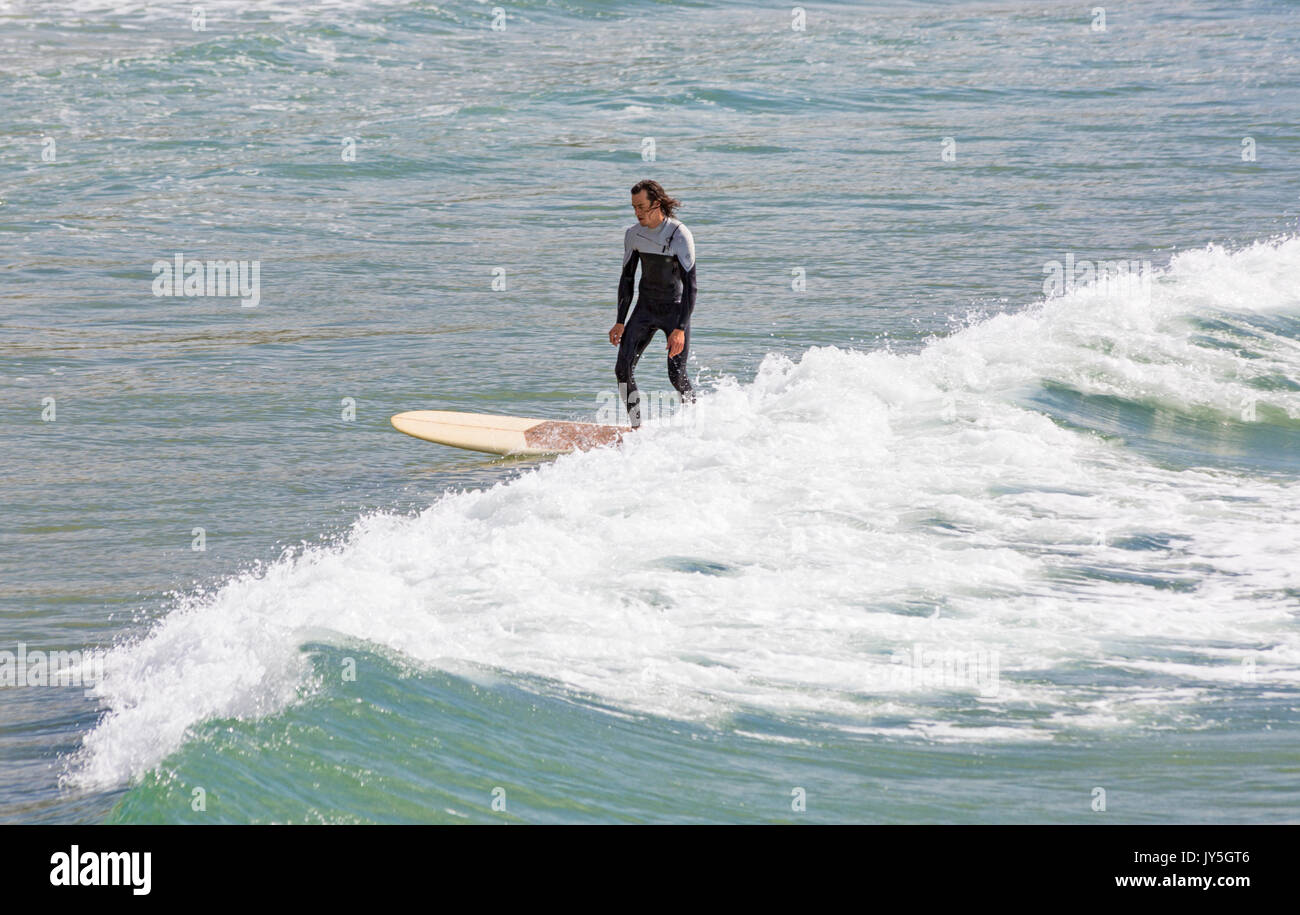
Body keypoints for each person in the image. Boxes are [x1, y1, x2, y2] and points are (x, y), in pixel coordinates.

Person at [609, 180, 697, 427]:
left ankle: (696, 421)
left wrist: (680, 328)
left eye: (641, 207)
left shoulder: (678, 234)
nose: (637, 213)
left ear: (656, 204)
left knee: (676, 375)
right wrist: (619, 321)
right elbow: (627, 279)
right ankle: (637, 427)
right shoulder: (633, 234)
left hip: (674, 310)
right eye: (633, 207)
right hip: (645, 309)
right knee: (622, 369)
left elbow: (692, 286)